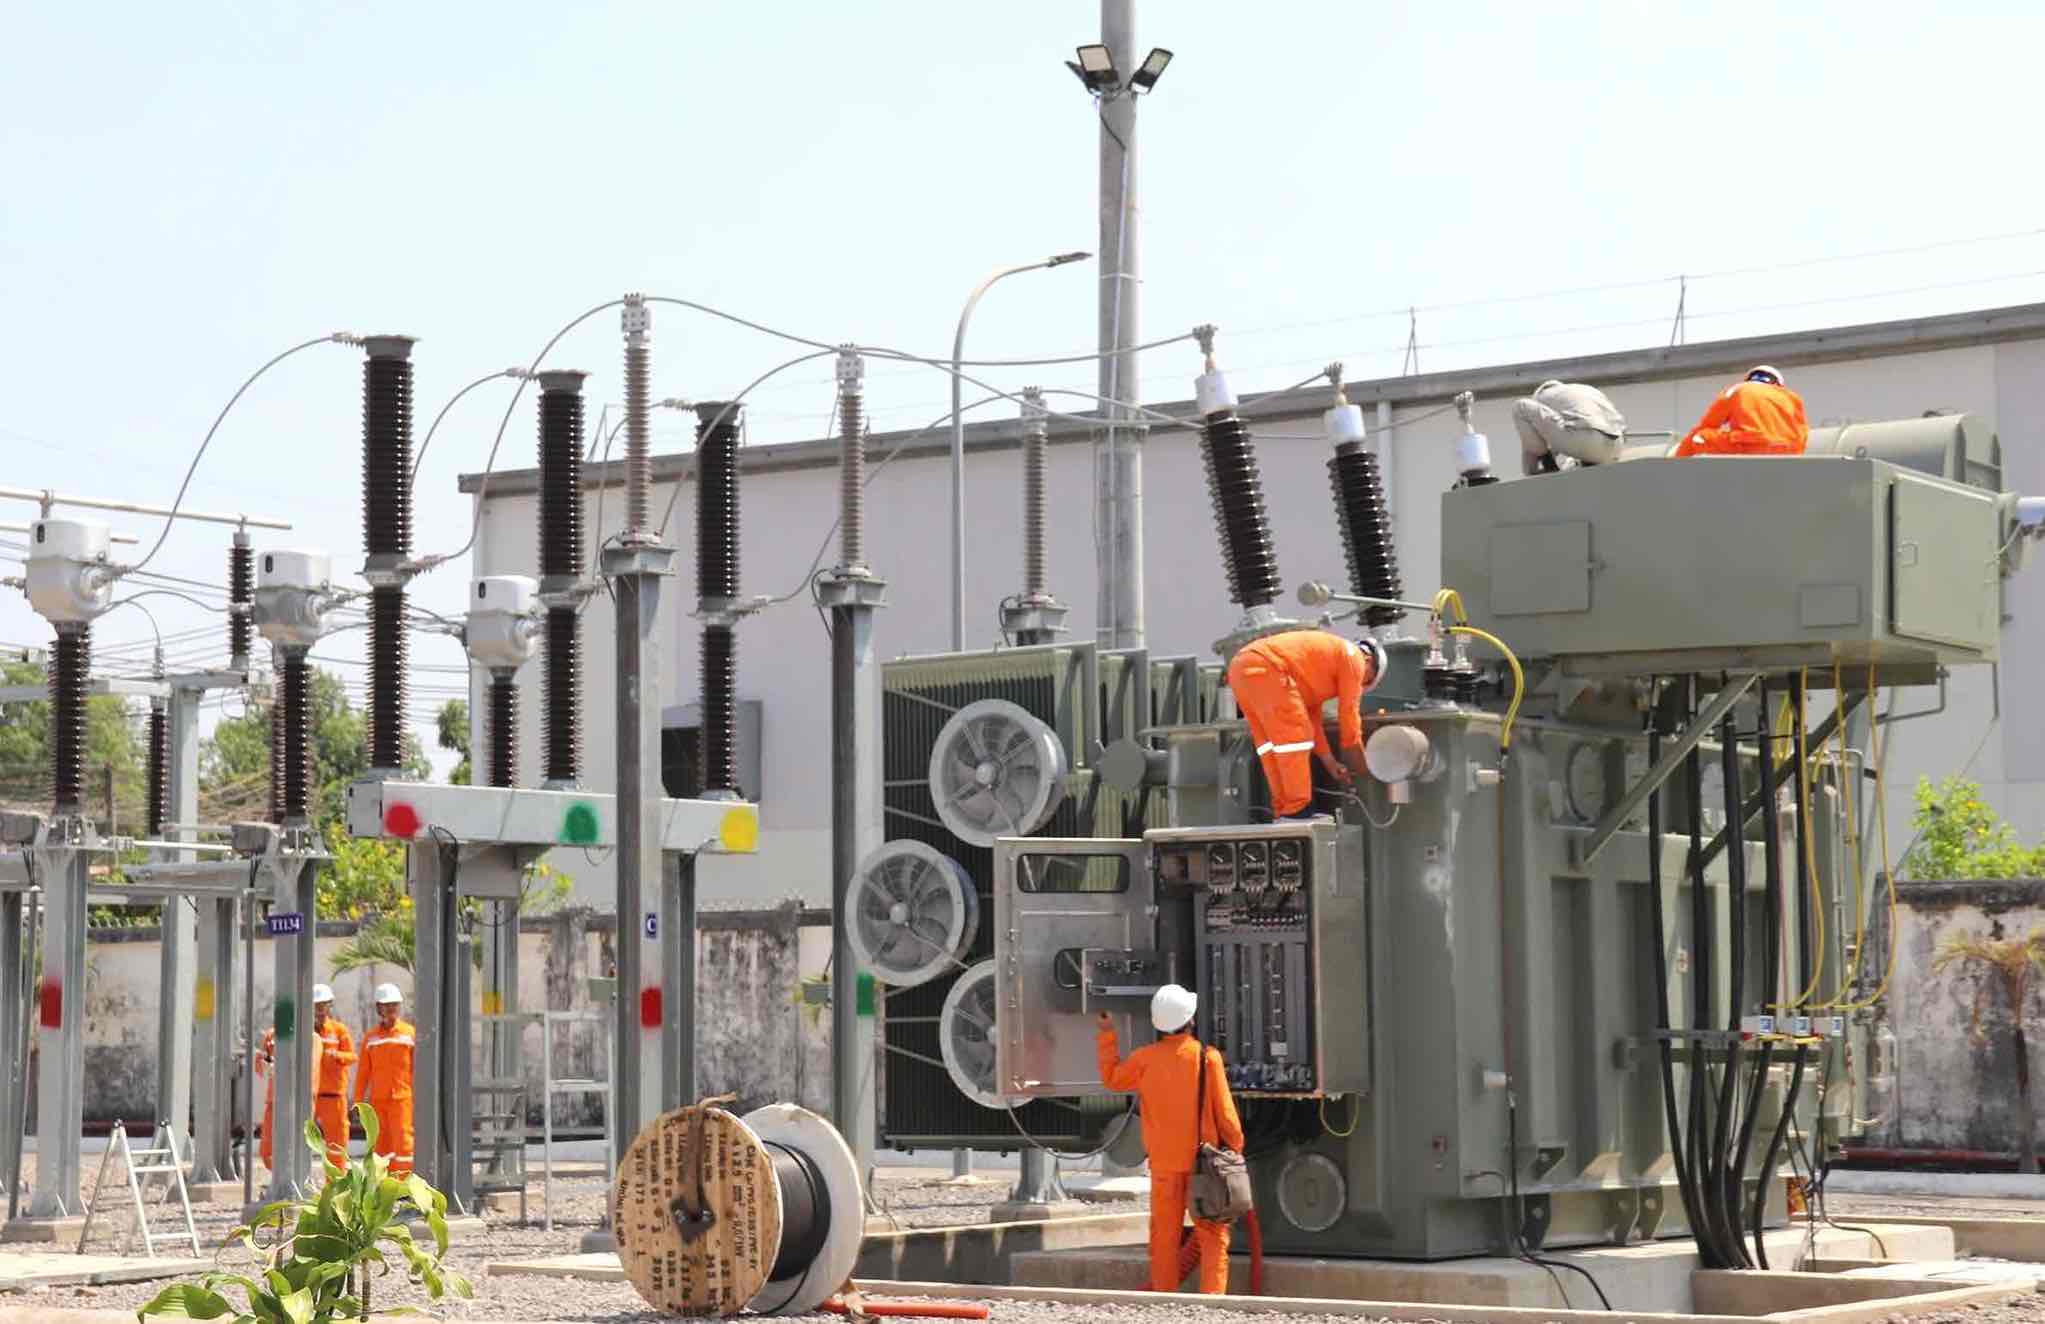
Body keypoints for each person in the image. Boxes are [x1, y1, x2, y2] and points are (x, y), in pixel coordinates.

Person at [1096, 984, 1245, 1295]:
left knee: (1164, 1237)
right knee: (1213, 1233)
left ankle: (1165, 1300)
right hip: (1203, 1165)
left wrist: (1107, 1032)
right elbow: (1227, 1116)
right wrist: (1235, 1151)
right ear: (1190, 1019)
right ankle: (1212, 1305)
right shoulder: (1207, 1059)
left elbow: (1111, 1078)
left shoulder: (1144, 1060)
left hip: (1164, 1165)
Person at [1223, 629, 1385, 821]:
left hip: (1241, 668)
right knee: (1294, 740)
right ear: (1369, 661)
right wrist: (1359, 760)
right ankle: (1297, 811)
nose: (1360, 684)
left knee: (1270, 746)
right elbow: (1349, 713)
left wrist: (1330, 762)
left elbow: (1313, 721)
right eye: (1366, 680)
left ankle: (1282, 809)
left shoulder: (1317, 672)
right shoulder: (1354, 658)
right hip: (1269, 667)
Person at [1674, 365, 1808, 457]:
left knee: (1699, 436)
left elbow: (1707, 424)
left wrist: (1678, 458)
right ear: (1778, 383)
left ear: (1750, 378)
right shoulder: (1792, 397)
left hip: (1751, 446)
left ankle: (1675, 466)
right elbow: (1802, 434)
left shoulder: (1737, 389)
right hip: (1788, 450)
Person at [355, 983, 415, 1177]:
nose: (391, 1009)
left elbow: (418, 1070)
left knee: (404, 1144)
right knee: (380, 1146)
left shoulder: (409, 1034)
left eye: (395, 1005)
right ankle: (383, 1185)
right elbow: (363, 1073)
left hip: (402, 1100)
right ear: (379, 1008)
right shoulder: (371, 1038)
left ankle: (404, 1186)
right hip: (378, 1101)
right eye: (387, 1005)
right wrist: (357, 1102)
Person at [1511, 380, 1628, 475]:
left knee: (1520, 406)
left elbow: (1533, 445)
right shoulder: (1585, 389)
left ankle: (1549, 465)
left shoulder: (1540, 398)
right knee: (1582, 430)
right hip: (1617, 446)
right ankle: (1589, 458)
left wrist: (1530, 471)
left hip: (1586, 441)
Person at [254, 1016, 325, 1172]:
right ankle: (281, 1180)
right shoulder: (273, 1035)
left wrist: (280, 1069)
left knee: (294, 1149)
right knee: (267, 1151)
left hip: (300, 1101)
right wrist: (263, 1061)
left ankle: (292, 1182)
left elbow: (309, 1069)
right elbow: (259, 1066)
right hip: (275, 1099)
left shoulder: (313, 1039)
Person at [310, 983, 356, 1168]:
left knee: (336, 1145)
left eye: (323, 1006)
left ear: (329, 1006)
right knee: (302, 1141)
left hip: (334, 1097)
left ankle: (336, 1186)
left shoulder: (339, 1031)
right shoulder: (305, 1031)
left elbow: (352, 1056)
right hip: (310, 1097)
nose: (320, 1010)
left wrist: (336, 1056)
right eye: (316, 1006)